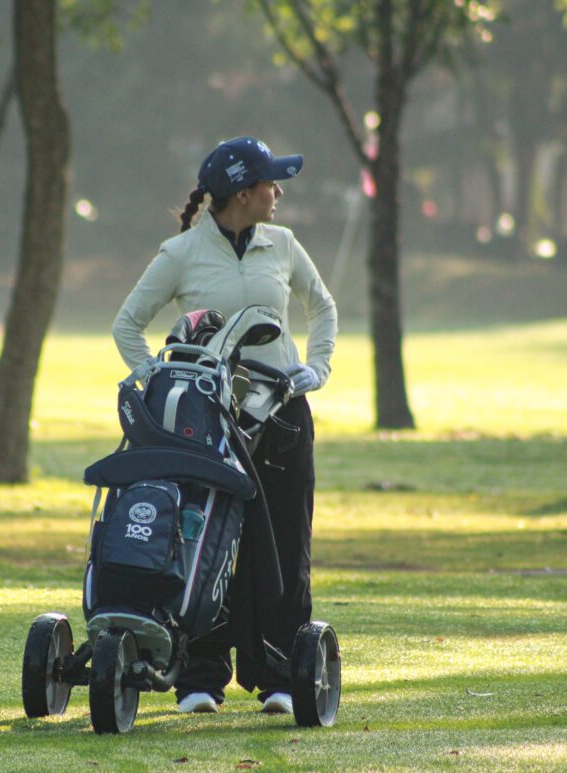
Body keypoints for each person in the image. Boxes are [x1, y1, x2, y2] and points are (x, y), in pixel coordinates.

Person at [112, 136, 337, 715]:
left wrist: (316, 367)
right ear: (243, 193)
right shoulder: (181, 253)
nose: (279, 192)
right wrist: (163, 382)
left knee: (283, 543)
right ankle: (200, 678)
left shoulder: (283, 244)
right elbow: (128, 327)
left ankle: (281, 675)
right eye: (270, 183)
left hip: (282, 415)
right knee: (200, 538)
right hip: (206, 422)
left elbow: (323, 307)